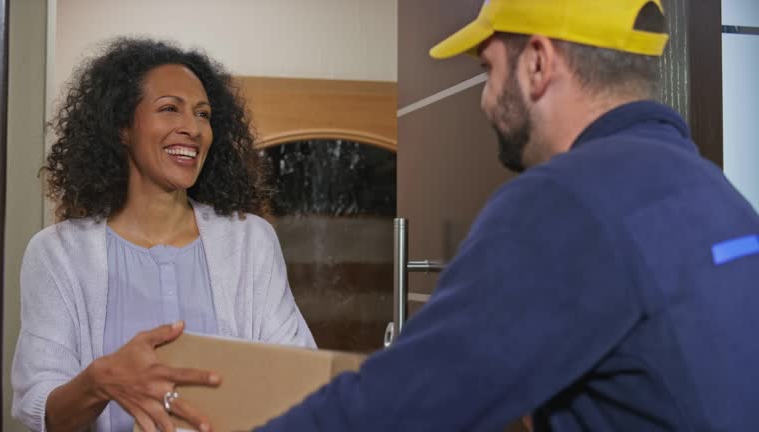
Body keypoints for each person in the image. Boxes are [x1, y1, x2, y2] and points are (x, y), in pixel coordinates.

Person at [254, 0, 759, 431]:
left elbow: (395, 407)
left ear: (537, 63)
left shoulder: (567, 199)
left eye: (487, 70)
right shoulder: (716, 193)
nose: (484, 99)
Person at [11, 37, 316, 432]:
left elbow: (296, 373)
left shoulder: (251, 241)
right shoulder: (57, 254)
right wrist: (101, 381)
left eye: (203, 114)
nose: (192, 128)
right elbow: (43, 411)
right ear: (123, 127)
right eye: (170, 109)